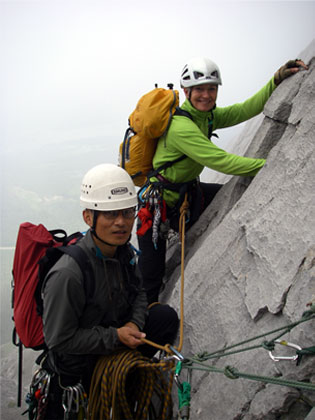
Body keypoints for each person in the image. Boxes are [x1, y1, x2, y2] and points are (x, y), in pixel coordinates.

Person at [137, 57, 308, 304]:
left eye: (212, 88)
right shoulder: (180, 127)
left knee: (226, 196)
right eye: (200, 89)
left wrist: (276, 80)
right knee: (151, 281)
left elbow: (244, 110)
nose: (206, 95)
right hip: (157, 208)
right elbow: (223, 162)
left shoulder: (205, 116)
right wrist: (274, 166)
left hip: (187, 193)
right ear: (186, 91)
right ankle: (144, 335)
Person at [39, 163, 179, 419]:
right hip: (80, 368)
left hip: (116, 341)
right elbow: (59, 340)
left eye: (127, 213)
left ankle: (127, 380)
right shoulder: (69, 274)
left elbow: (138, 293)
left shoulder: (123, 252)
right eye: (110, 214)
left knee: (165, 318)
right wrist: (116, 336)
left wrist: (134, 325)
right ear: (88, 217)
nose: (121, 223)